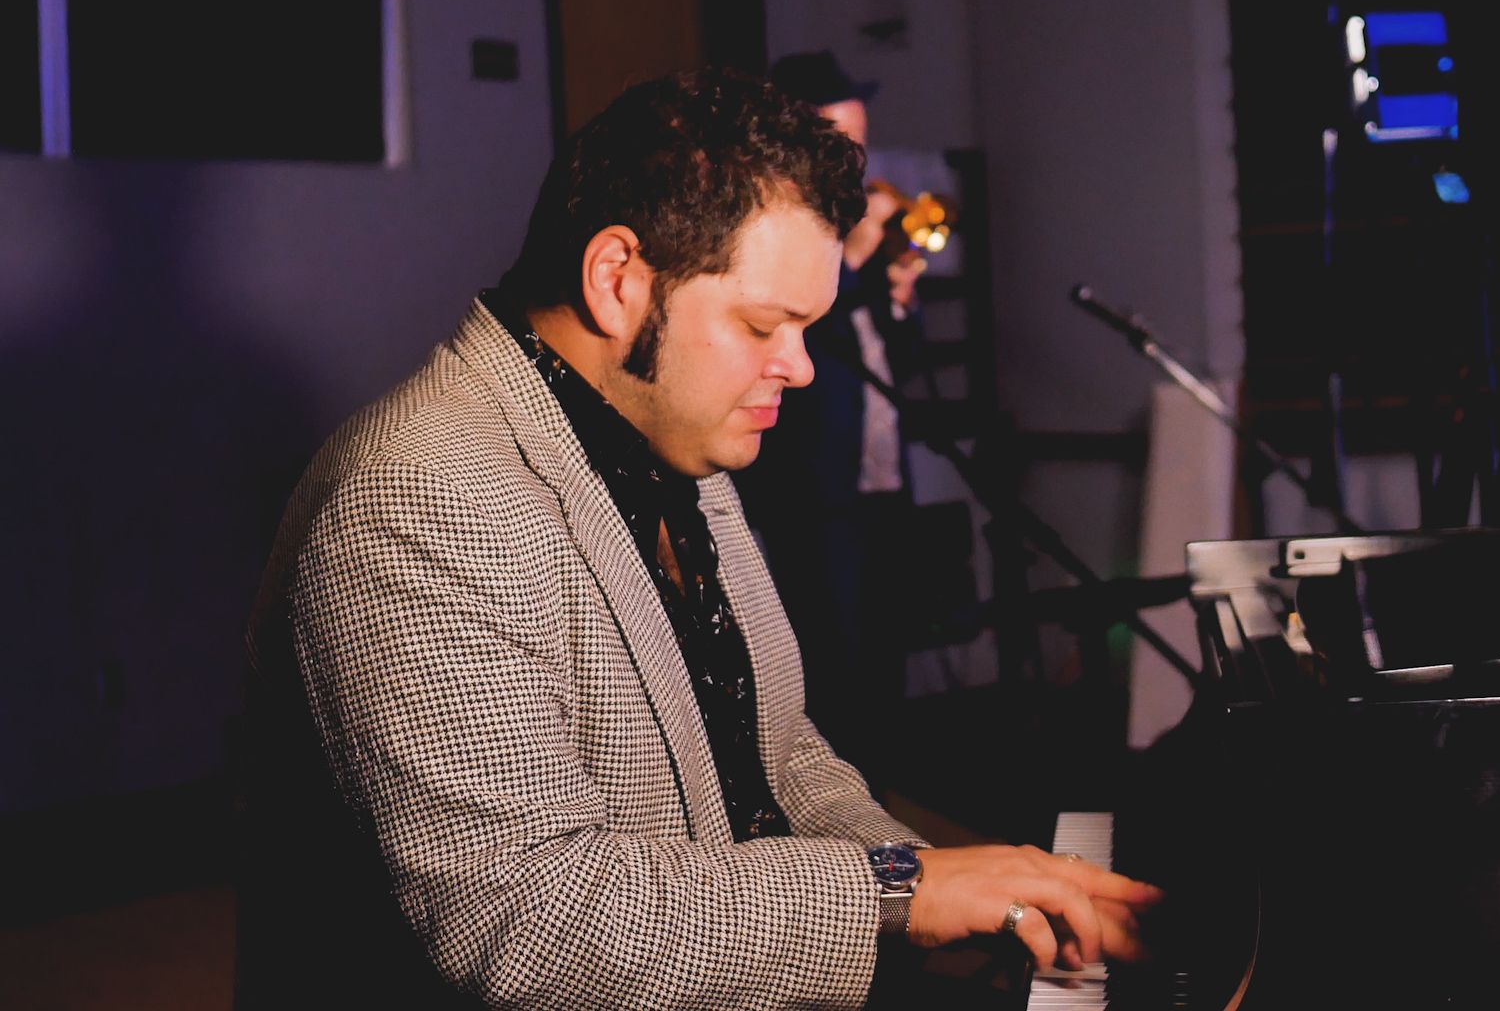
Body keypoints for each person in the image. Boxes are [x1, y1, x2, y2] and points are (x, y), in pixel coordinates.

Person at [238, 66, 1158, 1009]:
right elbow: (526, 919)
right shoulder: (423, 495)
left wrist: (945, 889)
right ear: (618, 282)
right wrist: (899, 896)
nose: (798, 369)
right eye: (765, 324)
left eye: (808, 329)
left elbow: (781, 753)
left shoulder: (671, 431)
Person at [737, 50, 928, 791]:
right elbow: (804, 346)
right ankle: (845, 828)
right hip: (817, 487)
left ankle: (892, 805)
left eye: (860, 142)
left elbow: (891, 360)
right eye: (836, 142)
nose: (854, 160)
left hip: (880, 473)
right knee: (833, 657)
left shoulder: (860, 245)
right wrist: (849, 259)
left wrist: (900, 294)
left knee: (887, 647)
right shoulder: (776, 234)